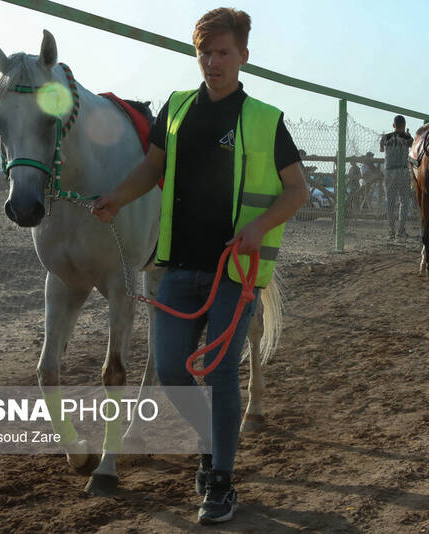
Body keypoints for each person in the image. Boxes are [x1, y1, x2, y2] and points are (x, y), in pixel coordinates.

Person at [90, 8, 308, 525]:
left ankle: (222, 480)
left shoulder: (265, 120)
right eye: (204, 53)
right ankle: (212, 448)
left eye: (223, 52)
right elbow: (152, 167)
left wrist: (257, 229)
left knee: (220, 371)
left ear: (243, 57)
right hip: (178, 269)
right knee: (170, 373)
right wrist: (117, 199)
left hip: (234, 272)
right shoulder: (178, 108)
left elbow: (297, 190)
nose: (212, 62)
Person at [380, 115, 414, 238]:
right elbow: (413, 148)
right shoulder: (408, 137)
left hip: (389, 171)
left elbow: (381, 150)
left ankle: (391, 231)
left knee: (390, 201)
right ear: (404, 126)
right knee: (404, 201)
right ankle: (401, 230)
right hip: (403, 171)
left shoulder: (385, 137)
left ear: (393, 125)